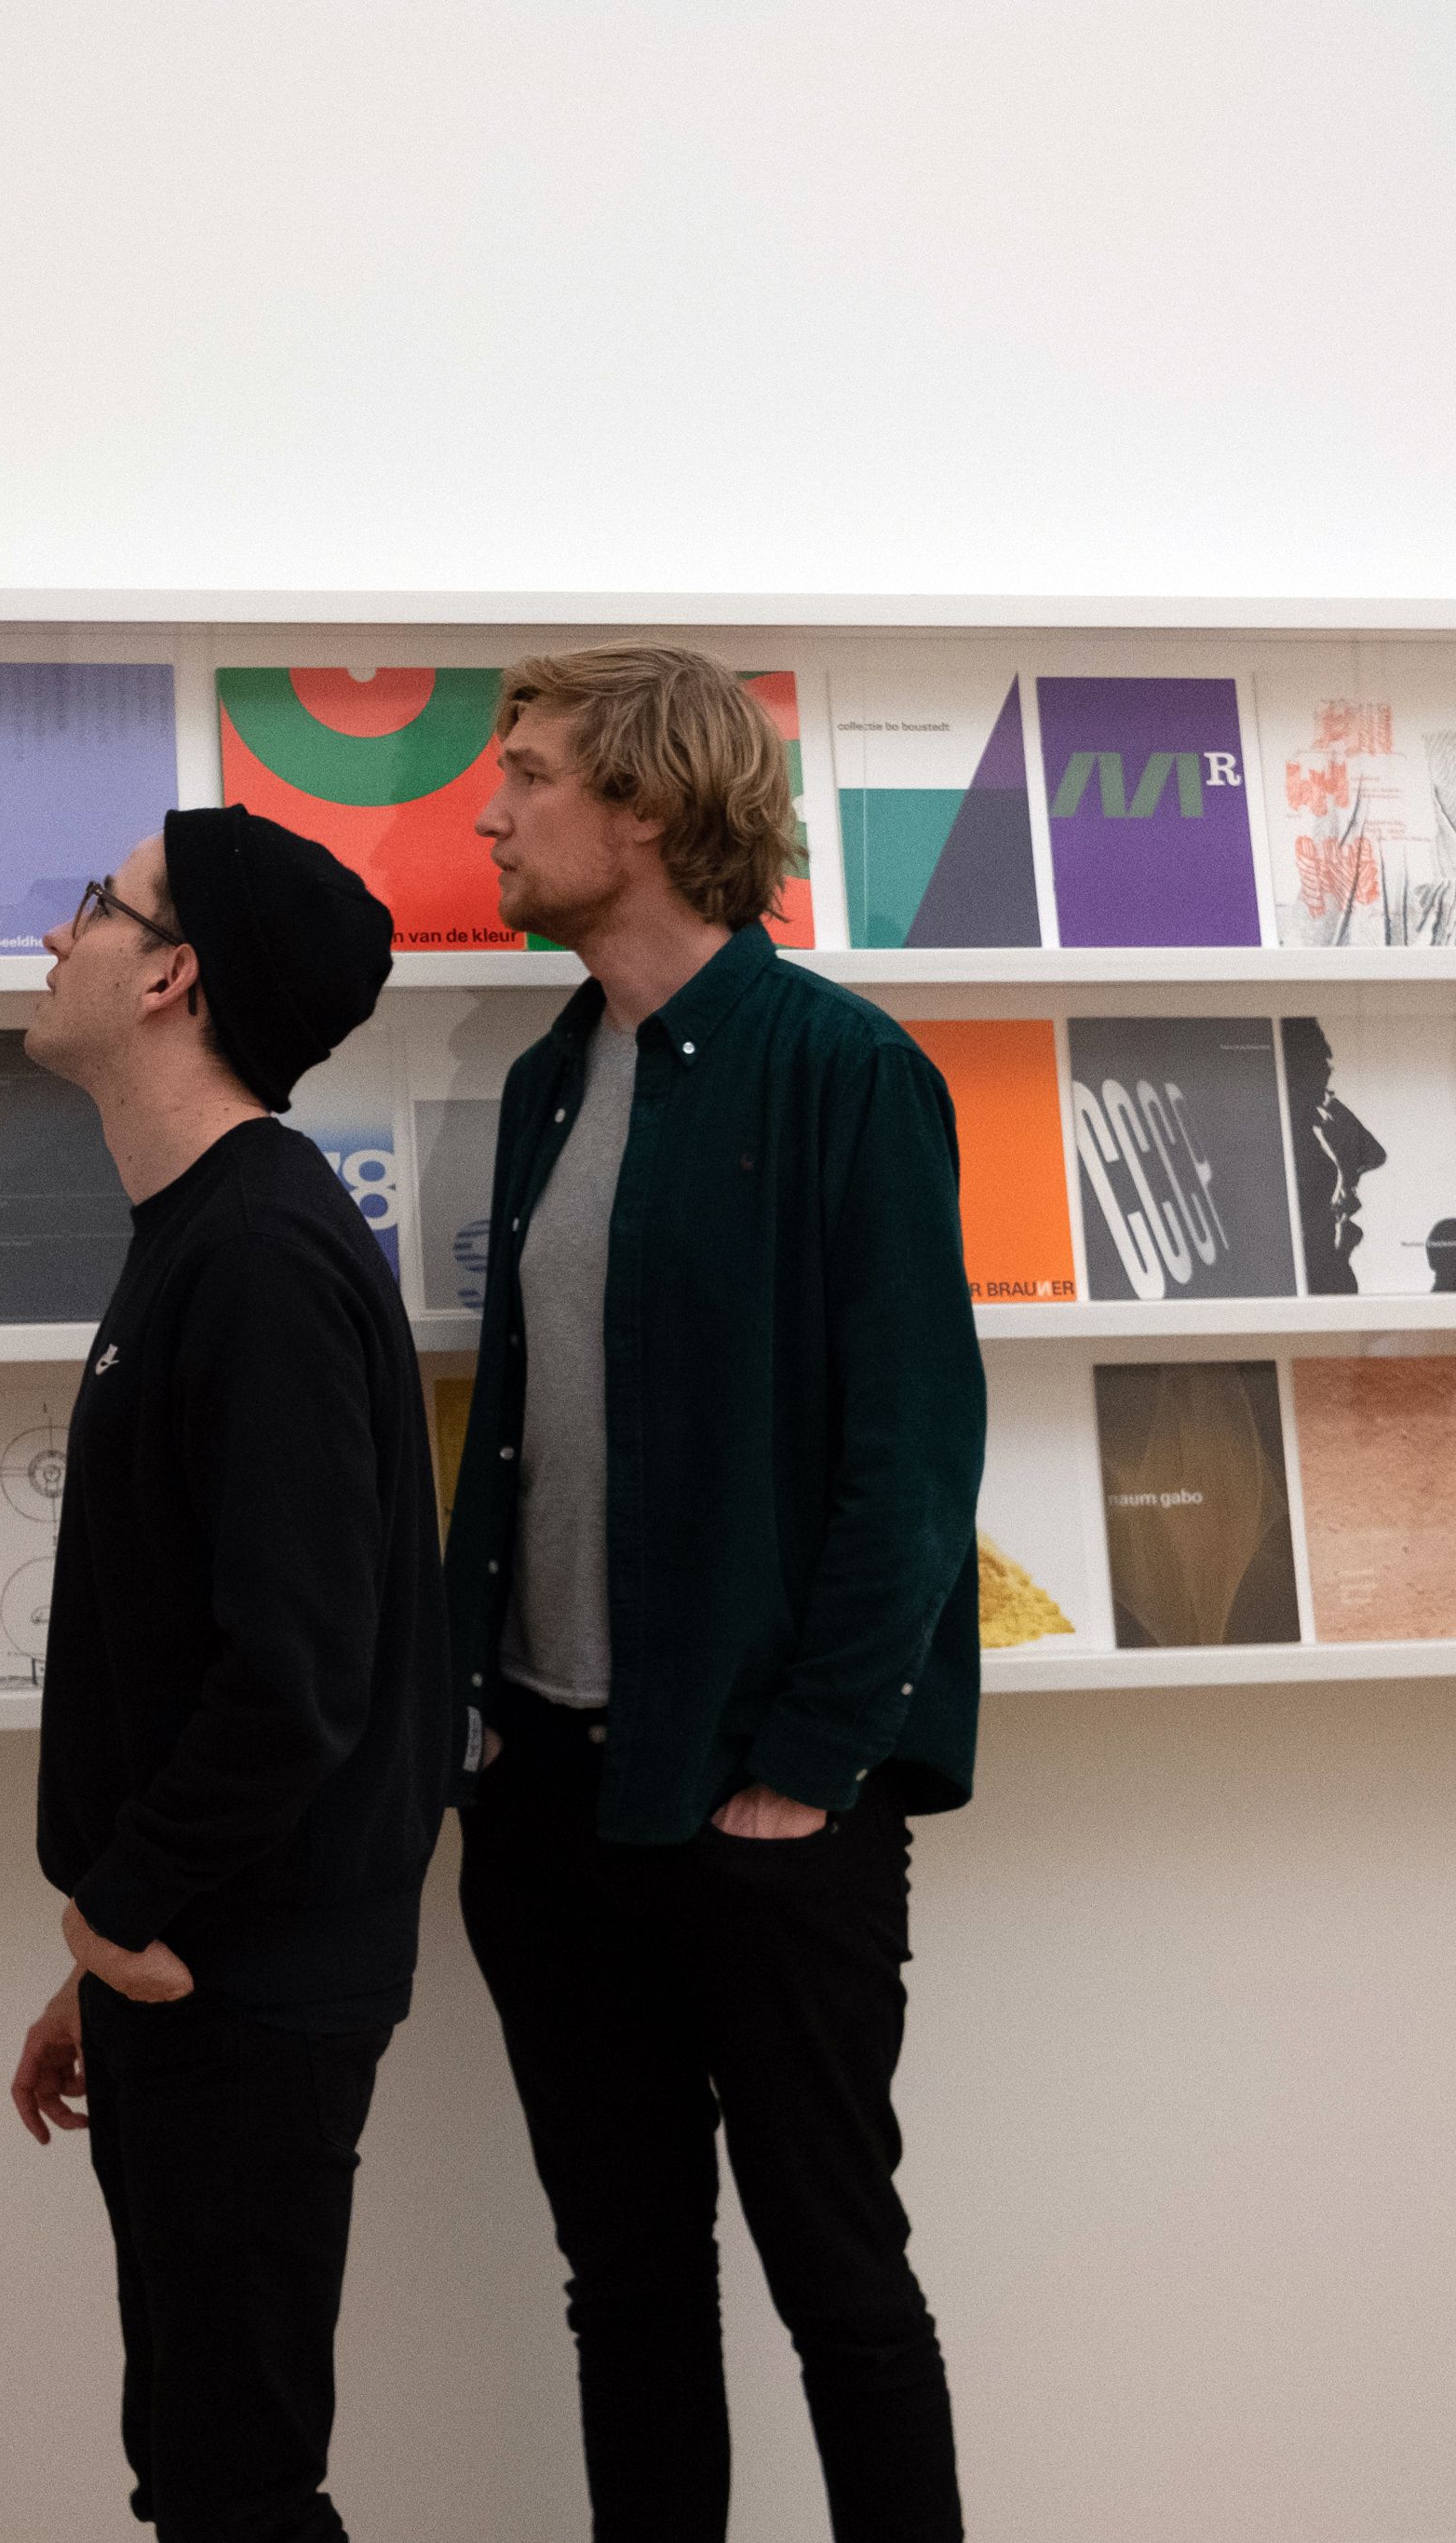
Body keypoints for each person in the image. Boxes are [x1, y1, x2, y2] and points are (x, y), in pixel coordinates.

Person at [445, 645, 985, 2543]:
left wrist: (801, 1774)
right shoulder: (540, 1085)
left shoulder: (844, 1072)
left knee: (839, 2290)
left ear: (651, 805)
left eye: (524, 774)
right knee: (629, 2295)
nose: (489, 812)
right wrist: (487, 1729)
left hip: (767, 1818)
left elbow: (911, 1459)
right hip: (551, 1804)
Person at [8, 805, 452, 2543]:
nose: (60, 939)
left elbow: (297, 1673)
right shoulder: (211, 1229)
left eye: (94, 907)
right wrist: (105, 1965)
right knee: (203, 2473)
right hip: (203, 1967)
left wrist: (120, 1910)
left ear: (171, 977)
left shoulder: (256, 1257)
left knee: (234, 2487)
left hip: (245, 1980)